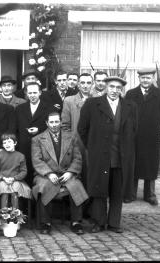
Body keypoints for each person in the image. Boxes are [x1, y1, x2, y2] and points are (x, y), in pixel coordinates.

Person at [77, 76, 137, 233]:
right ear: (105, 87)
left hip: (121, 156)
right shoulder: (92, 104)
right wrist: (93, 147)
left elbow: (134, 130)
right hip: (100, 156)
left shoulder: (130, 106)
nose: (114, 91)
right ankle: (98, 222)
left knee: (117, 190)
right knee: (99, 189)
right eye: (111, 87)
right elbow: (82, 129)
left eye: (118, 88)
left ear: (122, 90)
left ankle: (114, 223)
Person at [32, 112, 88, 235]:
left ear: (61, 122)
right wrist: (49, 173)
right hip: (45, 175)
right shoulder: (37, 139)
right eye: (51, 122)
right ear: (47, 123)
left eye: (57, 122)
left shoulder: (71, 137)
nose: (54, 125)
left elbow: (77, 158)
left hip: (66, 173)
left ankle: (76, 222)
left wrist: (70, 172)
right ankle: (45, 223)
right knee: (44, 186)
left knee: (76, 185)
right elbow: (37, 160)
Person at [125, 68, 160, 205]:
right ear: (139, 78)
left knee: (150, 164)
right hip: (134, 135)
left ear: (153, 79)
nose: (145, 80)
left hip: (151, 136)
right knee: (133, 163)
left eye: (148, 78)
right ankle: (130, 194)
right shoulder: (131, 94)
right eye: (143, 77)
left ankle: (149, 195)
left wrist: (153, 125)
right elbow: (126, 113)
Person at [61, 72, 93, 217]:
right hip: (76, 145)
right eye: (83, 83)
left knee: (91, 177)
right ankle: (75, 213)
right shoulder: (69, 100)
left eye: (88, 83)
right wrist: (71, 143)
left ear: (91, 84)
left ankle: (89, 211)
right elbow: (65, 125)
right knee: (75, 177)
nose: (85, 85)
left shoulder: (98, 100)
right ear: (78, 84)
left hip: (93, 146)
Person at [15, 82, 54, 185]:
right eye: (30, 93)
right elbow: (16, 128)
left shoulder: (49, 108)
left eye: (35, 92)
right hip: (24, 147)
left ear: (40, 92)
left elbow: (53, 126)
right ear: (26, 93)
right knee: (25, 174)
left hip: (42, 147)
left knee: (41, 176)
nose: (32, 95)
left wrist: (39, 129)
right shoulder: (19, 108)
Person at [0, 133, 31, 209]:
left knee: (14, 190)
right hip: (2, 180)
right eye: (4, 143)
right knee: (4, 190)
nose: (7, 144)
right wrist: (3, 178)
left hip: (16, 180)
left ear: (15, 143)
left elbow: (23, 171)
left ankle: (15, 215)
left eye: (9, 142)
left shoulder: (20, 156)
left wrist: (14, 178)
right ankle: (3, 215)